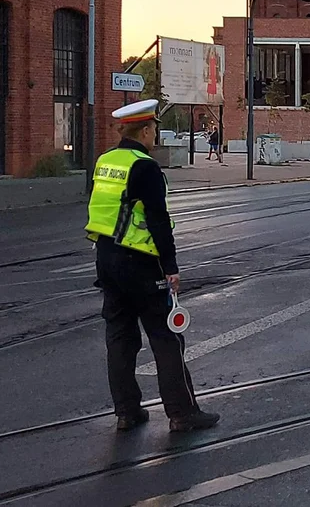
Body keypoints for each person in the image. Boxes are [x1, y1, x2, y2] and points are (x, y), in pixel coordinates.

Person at [85, 100, 220, 433]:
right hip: (142, 263)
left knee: (119, 337)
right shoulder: (144, 166)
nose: (155, 135)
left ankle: (127, 412)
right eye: (154, 129)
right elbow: (158, 221)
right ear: (144, 130)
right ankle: (181, 413)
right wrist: (170, 267)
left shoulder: (105, 161)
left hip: (106, 258)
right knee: (166, 338)